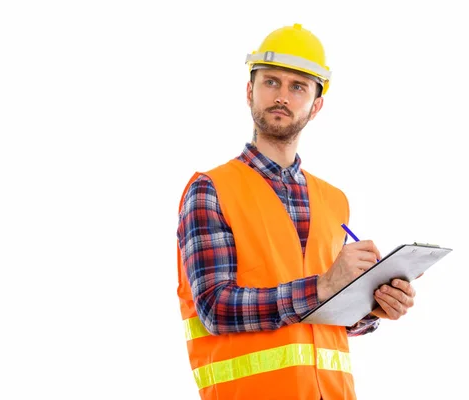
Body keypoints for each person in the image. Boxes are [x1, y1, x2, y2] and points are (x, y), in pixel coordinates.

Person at [175, 23, 417, 400]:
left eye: (298, 86)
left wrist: (370, 306)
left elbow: (318, 316)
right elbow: (215, 308)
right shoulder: (210, 190)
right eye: (271, 82)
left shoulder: (334, 200)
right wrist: (322, 286)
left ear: (316, 106)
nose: (282, 96)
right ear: (249, 91)